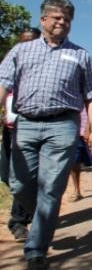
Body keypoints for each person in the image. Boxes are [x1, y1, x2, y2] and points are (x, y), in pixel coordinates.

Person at [0, 0, 92, 269]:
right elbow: (3, 83)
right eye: (56, 17)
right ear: (43, 20)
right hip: (27, 123)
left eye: (67, 18)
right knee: (19, 183)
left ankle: (36, 249)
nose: (62, 22)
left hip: (63, 125)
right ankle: (45, 217)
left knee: (51, 188)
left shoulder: (81, 55)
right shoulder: (21, 51)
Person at [0, 26, 40, 243]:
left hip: (30, 130)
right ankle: (30, 210)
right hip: (9, 130)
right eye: (22, 41)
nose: (26, 45)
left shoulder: (41, 67)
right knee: (7, 176)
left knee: (25, 177)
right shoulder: (8, 65)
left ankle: (19, 221)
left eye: (31, 41)